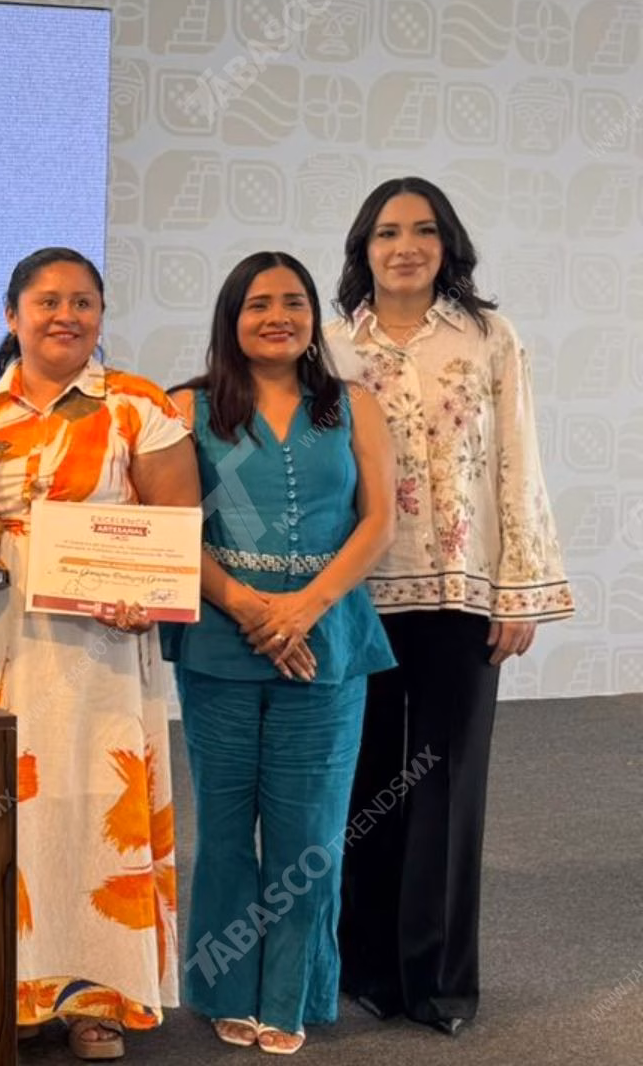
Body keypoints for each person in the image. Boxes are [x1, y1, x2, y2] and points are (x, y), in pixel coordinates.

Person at [0, 246, 199, 1061]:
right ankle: (4, 988)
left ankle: (99, 999)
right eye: (47, 301)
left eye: (83, 302)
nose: (65, 316)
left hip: (100, 645)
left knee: (92, 807)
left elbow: (177, 528)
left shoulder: (138, 408)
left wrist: (142, 594)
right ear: (12, 315)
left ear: (101, 317)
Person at [325, 177, 574, 1036]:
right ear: (363, 247)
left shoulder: (488, 339)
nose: (405, 247)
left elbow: (517, 460)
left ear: (447, 244)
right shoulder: (331, 348)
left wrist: (522, 591)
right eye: (387, 232)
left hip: (465, 595)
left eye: (423, 231)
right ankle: (367, 970)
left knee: (448, 786)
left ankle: (440, 983)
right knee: (363, 787)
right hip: (358, 594)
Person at [161, 252, 397, 1055]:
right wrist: (253, 609)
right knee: (226, 830)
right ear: (231, 318)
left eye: (294, 302)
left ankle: (290, 994)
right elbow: (172, 528)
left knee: (309, 834)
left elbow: (377, 524)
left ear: (312, 317)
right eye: (258, 303)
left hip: (327, 641)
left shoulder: (354, 405)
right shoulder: (183, 409)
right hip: (220, 644)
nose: (278, 316)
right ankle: (225, 985)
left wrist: (303, 609)